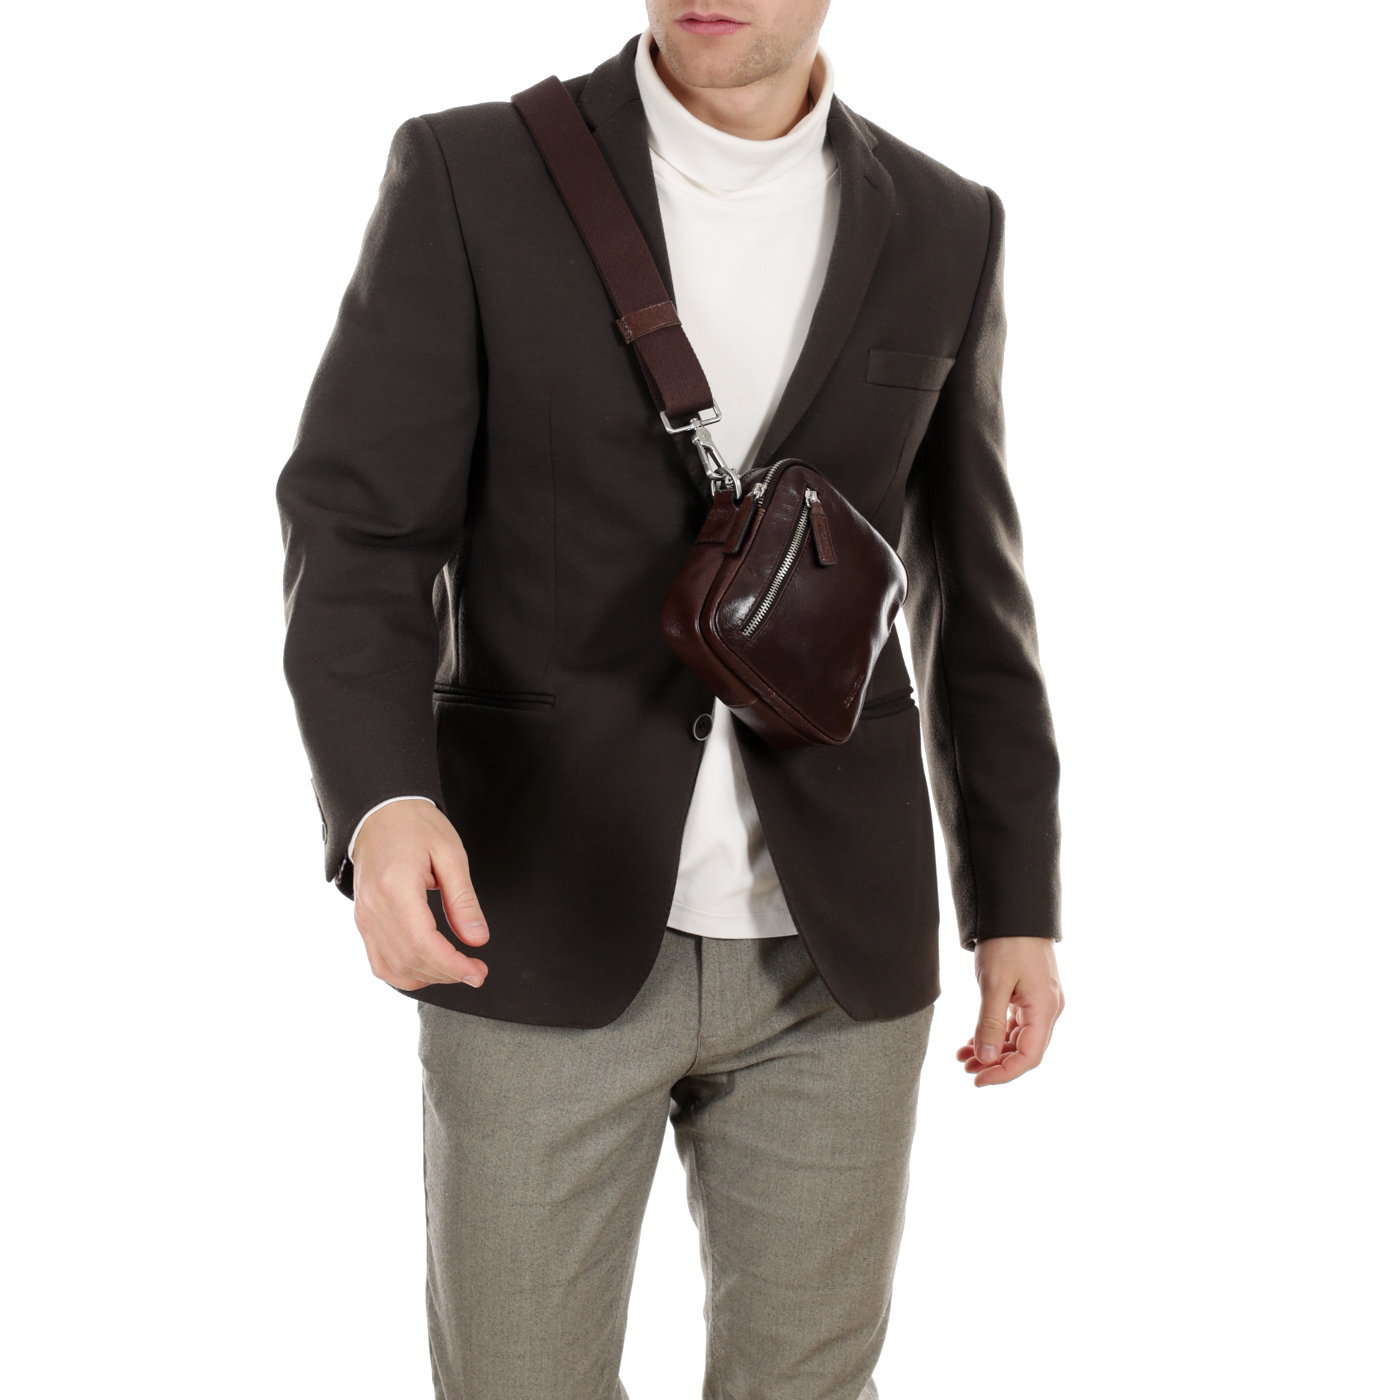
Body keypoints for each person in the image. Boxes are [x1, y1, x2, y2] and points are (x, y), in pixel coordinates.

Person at [277, 2, 1064, 1395]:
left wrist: (1016, 904)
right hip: (532, 916)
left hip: (837, 953)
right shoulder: (472, 172)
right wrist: (381, 802)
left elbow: (973, 596)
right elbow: (359, 530)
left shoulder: (950, 224)